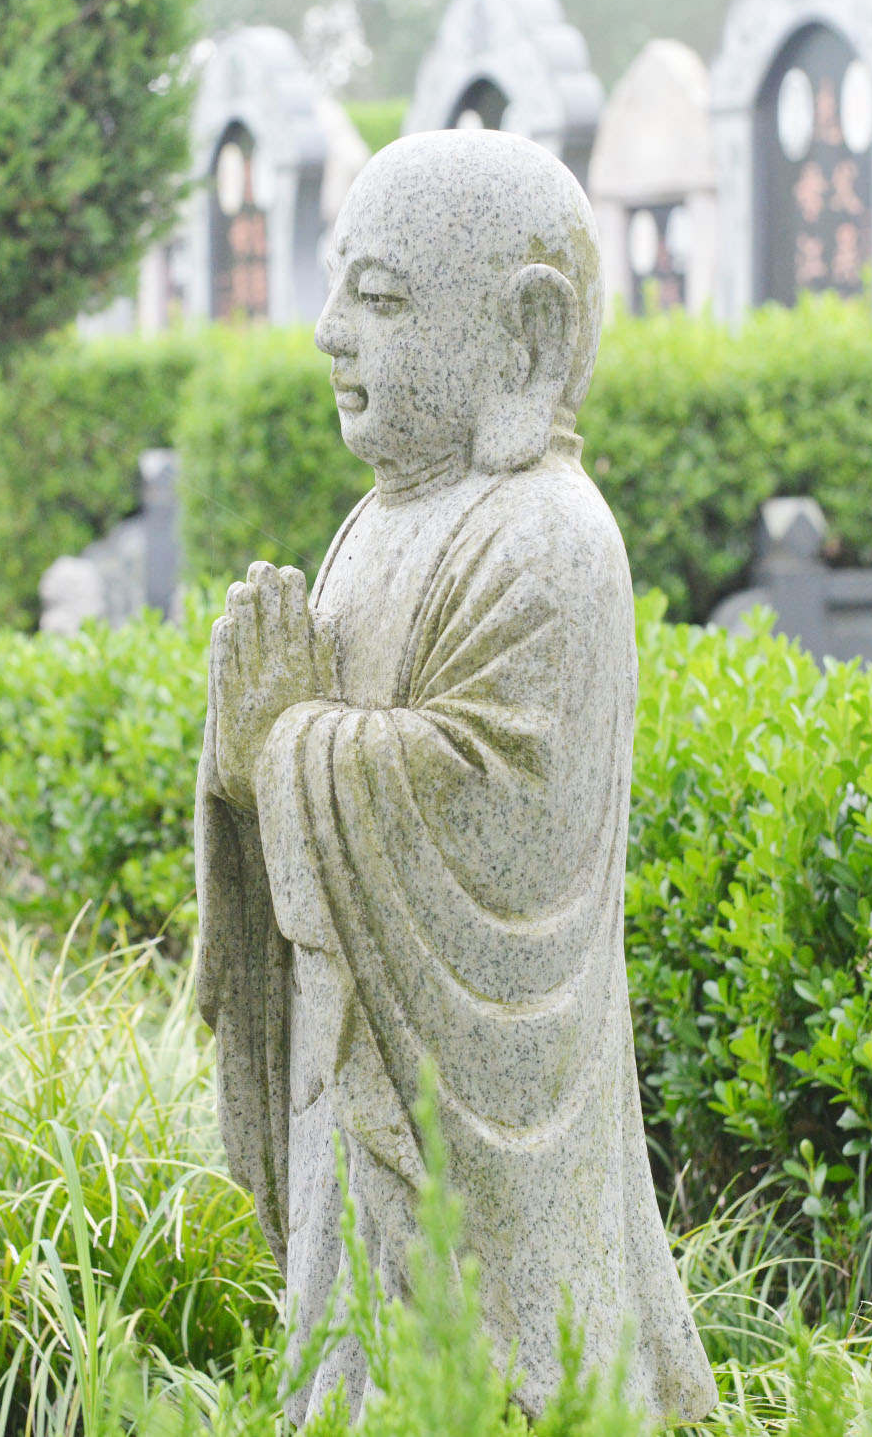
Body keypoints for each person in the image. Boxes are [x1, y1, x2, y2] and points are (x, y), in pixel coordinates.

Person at [196, 130, 716, 1423]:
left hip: (484, 1103)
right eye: (339, 288)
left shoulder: (547, 537)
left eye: (378, 298)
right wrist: (251, 749)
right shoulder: (378, 521)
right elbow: (324, 756)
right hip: (353, 1062)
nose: (329, 332)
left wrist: (286, 742)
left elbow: (498, 814)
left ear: (524, 336)